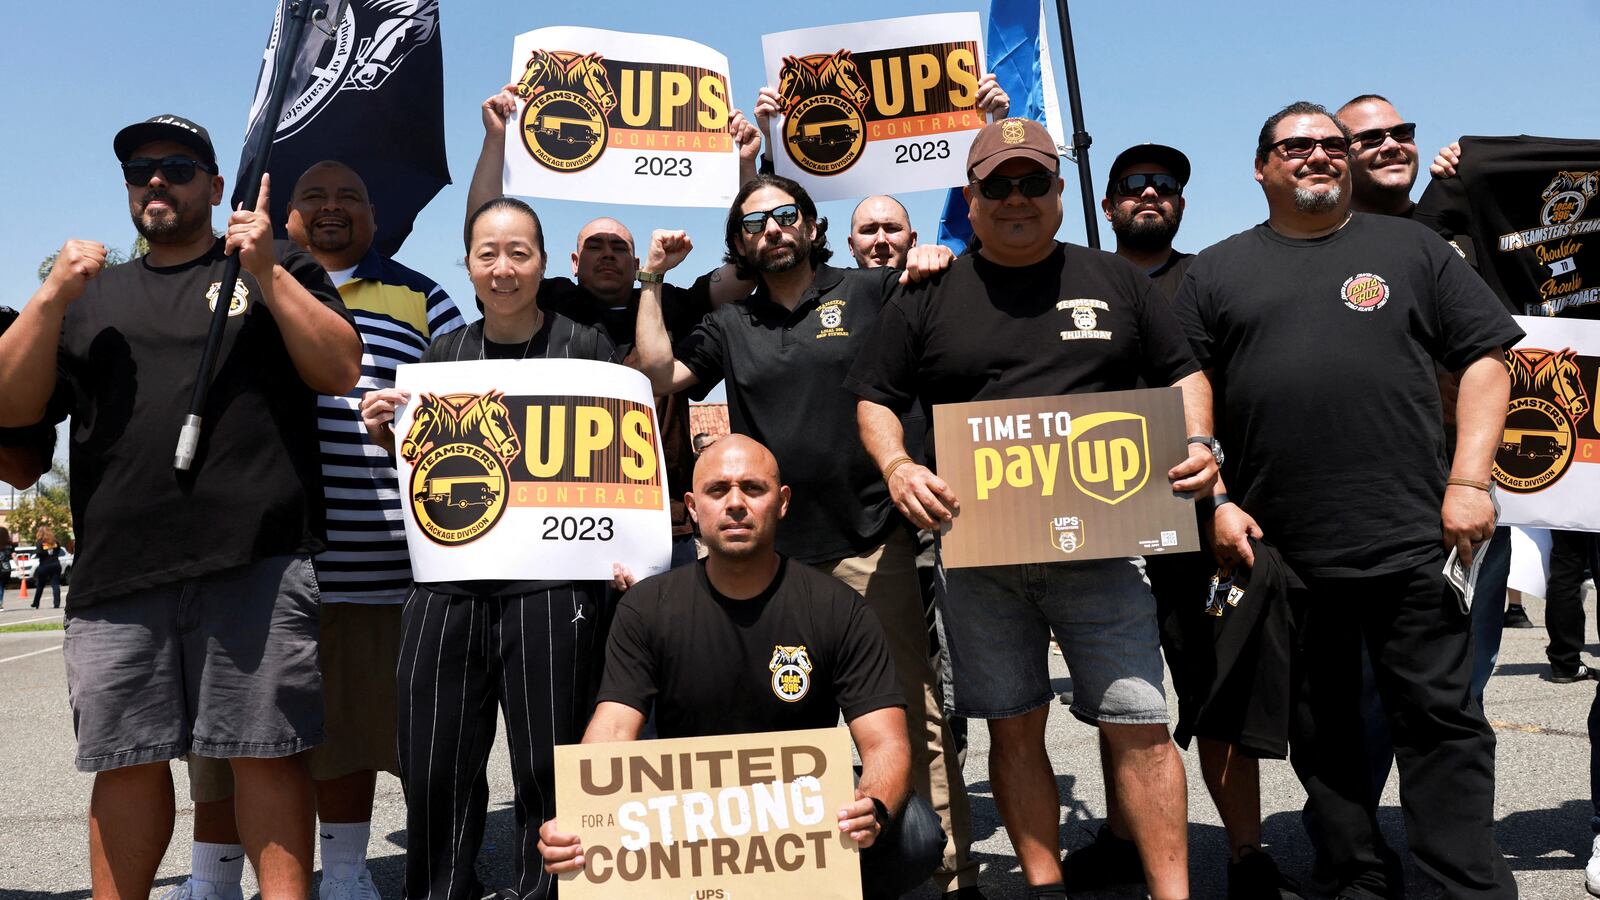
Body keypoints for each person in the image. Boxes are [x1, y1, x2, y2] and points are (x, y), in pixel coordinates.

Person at [847, 117, 1222, 900]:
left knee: (1141, 726)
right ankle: (1045, 889)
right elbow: (875, 396)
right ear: (971, 198)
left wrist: (1198, 441)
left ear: (1058, 190)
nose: (1017, 198)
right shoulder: (928, 292)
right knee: (1012, 728)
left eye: (1033, 182)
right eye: (999, 185)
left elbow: (1184, 371)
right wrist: (898, 465)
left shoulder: (1115, 280)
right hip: (980, 556)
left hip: (1107, 549)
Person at [0, 114, 361, 899]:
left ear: (216, 185)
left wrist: (268, 273)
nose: (155, 180)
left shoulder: (275, 263)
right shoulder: (89, 296)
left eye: (177, 166)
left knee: (267, 751)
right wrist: (49, 297)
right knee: (124, 761)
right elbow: (11, 405)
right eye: (139, 170)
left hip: (256, 560)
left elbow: (339, 369)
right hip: (118, 574)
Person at [1173, 100, 1519, 899]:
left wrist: (1469, 481)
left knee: (1442, 722)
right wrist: (1216, 496)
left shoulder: (1411, 249)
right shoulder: (1217, 271)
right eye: (1297, 146)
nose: (1319, 156)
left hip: (1415, 535)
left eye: (1332, 144)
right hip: (1286, 548)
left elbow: (1487, 359)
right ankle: (1355, 875)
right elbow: (1187, 377)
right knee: (1323, 729)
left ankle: (1466, 885)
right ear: (1261, 167)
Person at [630, 175, 982, 898]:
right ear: (739, 243)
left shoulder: (869, 290)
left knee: (910, 711)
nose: (772, 229)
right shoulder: (730, 324)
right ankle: (789, 872)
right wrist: (652, 280)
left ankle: (952, 873)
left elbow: (948, 331)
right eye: (754, 222)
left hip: (872, 542)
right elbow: (658, 372)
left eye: (786, 215)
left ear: (814, 227)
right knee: (779, 719)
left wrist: (937, 259)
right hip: (773, 558)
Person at [168, 160, 464, 900]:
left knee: (350, 731)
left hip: (373, 556)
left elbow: (471, 397)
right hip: (253, 553)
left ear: (375, 215)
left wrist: (409, 423)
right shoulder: (229, 280)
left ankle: (347, 872)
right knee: (230, 731)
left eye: (351, 196)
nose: (333, 207)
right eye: (315, 196)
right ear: (286, 214)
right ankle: (211, 878)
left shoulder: (423, 296)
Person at [535, 434, 945, 900]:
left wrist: (871, 805)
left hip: (797, 802)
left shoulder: (838, 608)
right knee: (587, 851)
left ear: (782, 502)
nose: (734, 503)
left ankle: (817, 887)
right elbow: (613, 726)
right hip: (688, 806)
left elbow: (885, 741)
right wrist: (581, 816)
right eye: (717, 490)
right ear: (693, 507)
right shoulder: (647, 606)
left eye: (753, 488)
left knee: (914, 833)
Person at [360, 195, 630, 900]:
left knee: (551, 764)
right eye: (488, 254)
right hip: (447, 585)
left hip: (554, 590)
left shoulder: (586, 348)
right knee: (434, 764)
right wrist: (388, 433)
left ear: (544, 263)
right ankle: (440, 890)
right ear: (469, 264)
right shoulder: (441, 358)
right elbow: (425, 469)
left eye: (519, 253)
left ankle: (548, 892)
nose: (503, 268)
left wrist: (630, 550)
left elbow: (619, 469)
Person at [1069, 142, 1300, 899]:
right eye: (1133, 185)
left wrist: (1223, 498)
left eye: (1165, 185)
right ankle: (1121, 837)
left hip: (1200, 519)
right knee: (1119, 697)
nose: (1150, 193)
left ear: (1181, 203)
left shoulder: (1210, 278)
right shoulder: (1073, 282)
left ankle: (1246, 853)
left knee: (1217, 692)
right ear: (1107, 206)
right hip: (1101, 516)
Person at [467, 85, 763, 569]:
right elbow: (484, 236)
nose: (608, 253)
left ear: (636, 260)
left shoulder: (669, 301)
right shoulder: (549, 301)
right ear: (573, 261)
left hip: (662, 519)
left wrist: (745, 166)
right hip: (558, 513)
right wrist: (496, 139)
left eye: (619, 247)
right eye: (596, 245)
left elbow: (749, 271)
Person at [31, 524, 63, 610]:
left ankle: (36, 603)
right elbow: (58, 550)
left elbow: (38, 552)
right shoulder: (55, 542)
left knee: (40, 585)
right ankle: (56, 603)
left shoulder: (40, 542)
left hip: (44, 565)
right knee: (55, 584)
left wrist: (42, 554)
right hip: (55, 564)